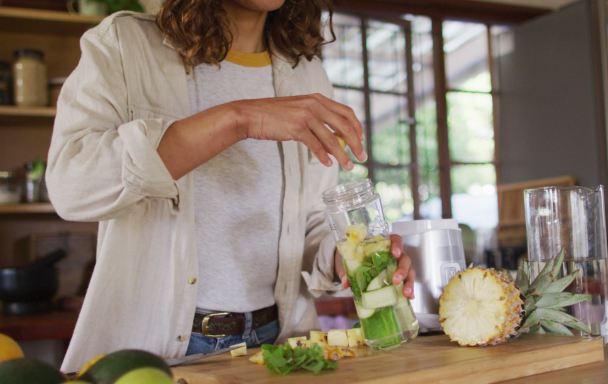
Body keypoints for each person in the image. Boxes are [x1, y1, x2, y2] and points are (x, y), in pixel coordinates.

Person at [47, 0, 415, 373]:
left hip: (279, 343)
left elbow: (311, 221)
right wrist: (238, 118)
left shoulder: (307, 73)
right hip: (153, 351)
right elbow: (71, 186)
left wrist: (345, 257)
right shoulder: (125, 44)